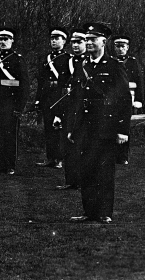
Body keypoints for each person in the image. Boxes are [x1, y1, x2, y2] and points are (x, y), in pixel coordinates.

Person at [67, 23, 131, 224]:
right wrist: (72, 127)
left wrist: (122, 129)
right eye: (87, 39)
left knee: (104, 171)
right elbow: (76, 99)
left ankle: (104, 212)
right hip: (85, 127)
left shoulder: (114, 66)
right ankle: (89, 211)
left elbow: (124, 99)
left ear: (104, 42)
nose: (89, 43)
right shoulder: (82, 66)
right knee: (86, 169)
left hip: (106, 127)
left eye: (93, 39)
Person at [0, 28, 30, 175]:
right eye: (0, 39)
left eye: (6, 39)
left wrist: (19, 107)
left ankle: (10, 165)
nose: (2, 42)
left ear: (12, 40)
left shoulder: (18, 59)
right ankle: (0, 164)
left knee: (10, 135)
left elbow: (23, 85)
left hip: (11, 104)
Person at [54, 28, 88, 191]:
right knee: (67, 145)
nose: (75, 45)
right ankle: (71, 180)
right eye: (73, 42)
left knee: (81, 145)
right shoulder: (65, 61)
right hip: (67, 108)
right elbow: (60, 89)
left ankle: (83, 180)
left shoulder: (89, 62)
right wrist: (58, 114)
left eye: (79, 42)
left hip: (83, 109)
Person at [33, 27, 71, 169]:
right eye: (52, 38)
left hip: (60, 96)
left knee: (59, 128)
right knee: (49, 128)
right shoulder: (46, 58)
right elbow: (41, 81)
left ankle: (60, 159)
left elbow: (68, 80)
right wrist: (38, 99)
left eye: (57, 38)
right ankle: (50, 157)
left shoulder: (68, 58)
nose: (54, 41)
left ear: (64, 41)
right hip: (47, 96)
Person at [113, 34, 144, 165]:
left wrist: (139, 100)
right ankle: (113, 154)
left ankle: (123, 156)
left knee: (125, 125)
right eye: (118, 46)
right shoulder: (111, 61)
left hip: (129, 97)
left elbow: (140, 81)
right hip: (113, 97)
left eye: (123, 46)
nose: (120, 49)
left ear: (127, 47)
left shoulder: (133, 62)